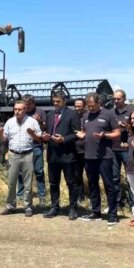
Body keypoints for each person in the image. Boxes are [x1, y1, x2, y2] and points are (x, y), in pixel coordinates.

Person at [76, 92, 121, 225]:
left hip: (105, 156)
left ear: (99, 103)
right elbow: (85, 131)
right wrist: (81, 134)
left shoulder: (109, 114)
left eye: (92, 106)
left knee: (108, 185)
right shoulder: (85, 116)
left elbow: (117, 133)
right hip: (89, 155)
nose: (90, 108)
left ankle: (113, 214)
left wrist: (105, 135)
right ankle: (96, 212)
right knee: (92, 184)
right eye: (88, 106)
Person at [0, 100, 42, 217]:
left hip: (27, 154)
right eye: (15, 109)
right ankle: (10, 206)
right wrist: (0, 133)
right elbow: (4, 139)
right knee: (12, 182)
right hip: (13, 155)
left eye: (20, 109)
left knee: (28, 183)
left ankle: (28, 206)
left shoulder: (32, 122)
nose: (17, 112)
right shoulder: (9, 122)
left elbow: (39, 139)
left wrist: (32, 134)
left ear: (25, 110)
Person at [42, 91, 81, 220]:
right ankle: (54, 207)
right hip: (52, 154)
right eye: (54, 101)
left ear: (64, 101)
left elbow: (76, 134)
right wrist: (45, 136)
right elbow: (47, 131)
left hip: (67, 154)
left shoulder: (72, 114)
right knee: (53, 182)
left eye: (58, 101)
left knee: (71, 182)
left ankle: (73, 208)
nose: (55, 104)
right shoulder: (50, 114)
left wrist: (64, 139)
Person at [17, 94, 47, 207]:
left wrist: (39, 122)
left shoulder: (40, 112)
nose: (27, 107)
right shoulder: (21, 112)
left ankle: (42, 196)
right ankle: (20, 195)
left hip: (36, 146)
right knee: (21, 172)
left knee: (39, 171)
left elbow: (45, 128)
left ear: (34, 103)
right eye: (25, 105)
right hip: (23, 146)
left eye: (29, 104)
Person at [111, 90, 134, 213]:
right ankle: (117, 203)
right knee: (115, 177)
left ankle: (133, 204)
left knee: (130, 177)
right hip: (113, 148)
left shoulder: (131, 111)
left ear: (124, 98)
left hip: (127, 148)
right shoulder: (110, 112)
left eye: (118, 99)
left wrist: (127, 127)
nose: (116, 101)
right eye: (114, 99)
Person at [74, 98, 88, 203]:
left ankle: (93, 197)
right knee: (77, 175)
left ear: (85, 106)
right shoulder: (73, 117)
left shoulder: (89, 117)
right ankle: (80, 196)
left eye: (79, 106)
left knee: (91, 175)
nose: (77, 108)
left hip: (88, 151)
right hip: (76, 150)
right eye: (76, 106)